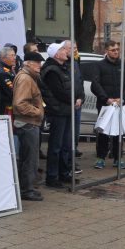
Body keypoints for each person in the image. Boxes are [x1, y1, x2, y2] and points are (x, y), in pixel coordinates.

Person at [91, 40, 125, 170]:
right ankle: (101, 158)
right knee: (103, 131)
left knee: (118, 132)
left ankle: (118, 158)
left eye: (117, 50)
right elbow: (95, 84)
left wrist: (123, 98)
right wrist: (106, 99)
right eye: (113, 50)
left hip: (120, 104)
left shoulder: (124, 65)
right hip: (105, 104)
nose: (116, 52)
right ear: (106, 51)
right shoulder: (99, 65)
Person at [41, 42, 77, 188]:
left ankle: (64, 173)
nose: (65, 51)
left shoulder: (63, 67)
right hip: (58, 112)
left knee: (66, 144)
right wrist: (72, 99)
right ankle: (52, 176)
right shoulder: (52, 70)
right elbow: (59, 92)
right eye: (62, 49)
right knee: (56, 145)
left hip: (66, 110)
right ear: (56, 54)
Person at [12, 51, 46, 201]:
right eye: (37, 63)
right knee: (29, 159)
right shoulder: (26, 78)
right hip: (27, 123)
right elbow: (20, 104)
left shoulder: (28, 76)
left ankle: (27, 187)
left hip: (28, 123)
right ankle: (26, 190)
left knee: (28, 157)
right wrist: (37, 112)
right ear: (28, 63)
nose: (39, 65)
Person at [0, 45, 18, 115]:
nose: (15, 58)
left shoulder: (9, 68)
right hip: (7, 107)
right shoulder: (2, 72)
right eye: (12, 55)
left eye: (15, 55)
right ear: (3, 58)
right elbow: (12, 91)